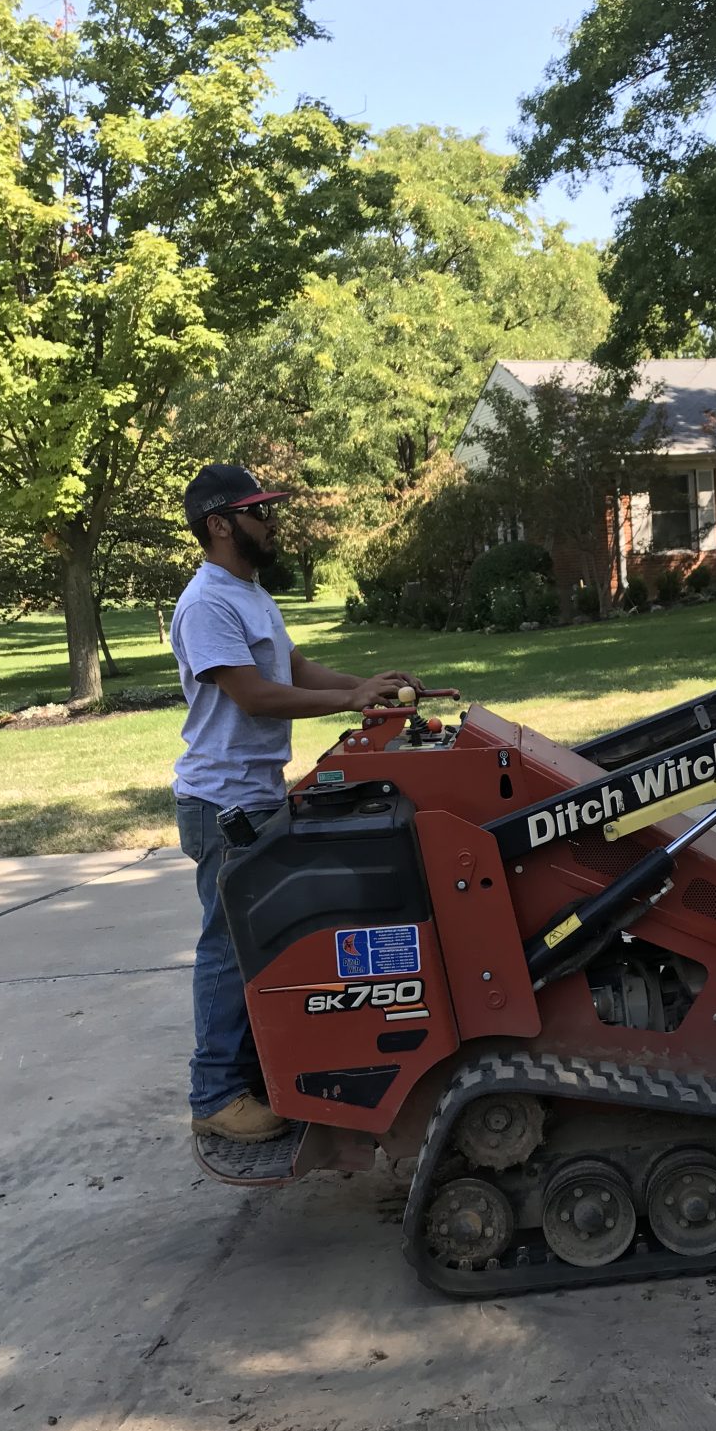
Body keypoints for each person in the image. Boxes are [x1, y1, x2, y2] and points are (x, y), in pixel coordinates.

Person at [170, 463, 421, 1143]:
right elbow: (252, 694)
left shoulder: (250, 593)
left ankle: (255, 1075)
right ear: (220, 524)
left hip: (253, 793)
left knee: (266, 942)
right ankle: (215, 1095)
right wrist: (348, 699)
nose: (272, 521)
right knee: (228, 948)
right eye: (259, 511)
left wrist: (363, 685)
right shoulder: (207, 603)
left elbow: (295, 670)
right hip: (222, 804)